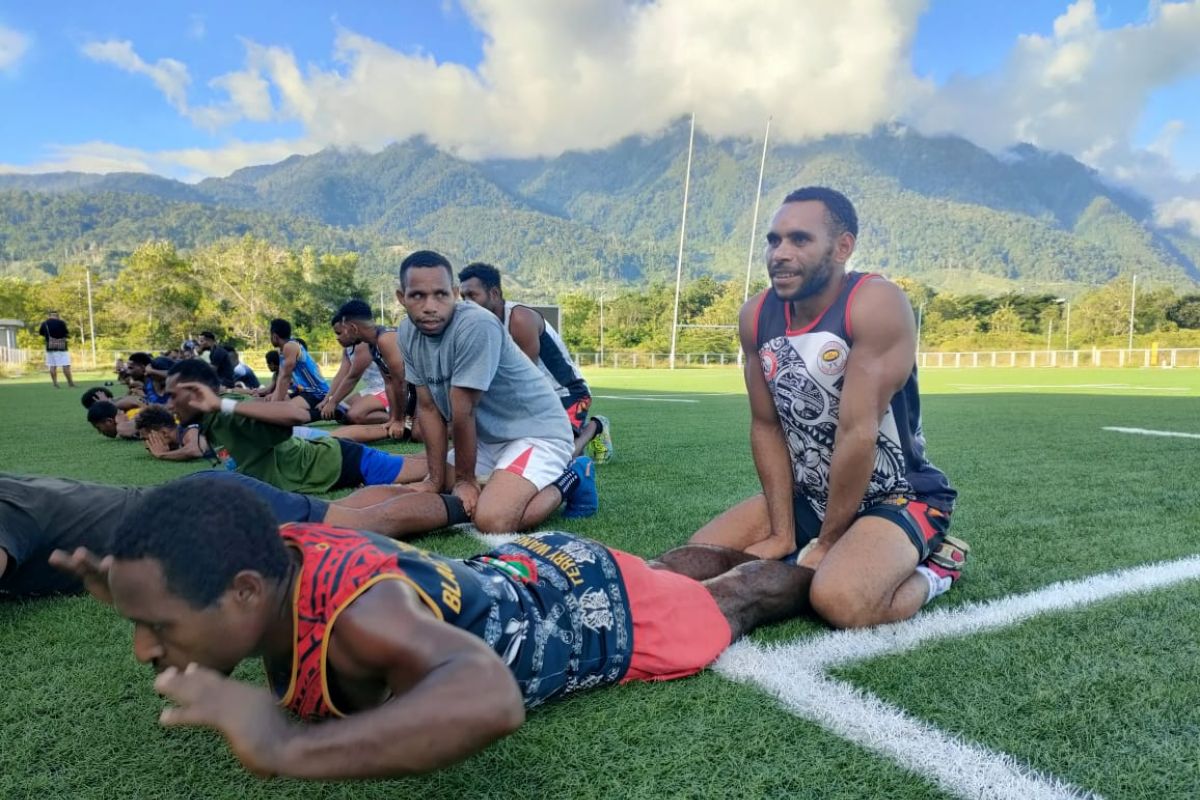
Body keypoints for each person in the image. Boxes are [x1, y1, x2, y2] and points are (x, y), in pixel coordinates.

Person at [55, 476, 813, 778]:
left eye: (157, 625)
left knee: (742, 595)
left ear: (246, 591)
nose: (145, 649)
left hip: (590, 616)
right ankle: (785, 539)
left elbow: (490, 699)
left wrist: (290, 745)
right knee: (664, 563)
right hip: (536, 566)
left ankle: (828, 562)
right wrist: (132, 591)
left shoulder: (360, 618)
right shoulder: (273, 558)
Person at [690, 187, 966, 629]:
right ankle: (811, 548)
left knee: (840, 601)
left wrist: (829, 540)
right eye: (773, 240)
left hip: (897, 494)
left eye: (799, 240)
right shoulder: (755, 317)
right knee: (697, 561)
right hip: (811, 496)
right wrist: (783, 531)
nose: (780, 253)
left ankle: (938, 568)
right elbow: (766, 426)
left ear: (843, 248)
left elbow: (857, 432)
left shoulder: (875, 303)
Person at [3, 470, 460, 600]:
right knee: (338, 514)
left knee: (367, 527)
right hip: (196, 500)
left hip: (202, 518)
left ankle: (463, 505)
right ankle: (430, 489)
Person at [398, 250, 597, 532]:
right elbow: (432, 407)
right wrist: (435, 478)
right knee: (446, 485)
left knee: (493, 519)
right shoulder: (413, 331)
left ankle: (575, 473)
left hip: (546, 417)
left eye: (442, 294)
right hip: (494, 431)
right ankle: (508, 478)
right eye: (417, 295)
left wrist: (466, 480)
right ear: (401, 297)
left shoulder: (494, 321)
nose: (430, 305)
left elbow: (473, 404)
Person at [166, 359, 426, 494]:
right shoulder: (210, 422)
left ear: (194, 393)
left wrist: (222, 405)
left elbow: (296, 413)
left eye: (173, 396)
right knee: (414, 463)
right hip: (324, 460)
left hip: (333, 462)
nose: (169, 405)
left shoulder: (226, 410)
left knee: (423, 469)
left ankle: (463, 465)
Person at [459, 263, 612, 462]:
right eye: (463, 298)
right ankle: (569, 436)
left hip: (566, 392)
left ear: (494, 294)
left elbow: (524, 380)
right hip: (527, 396)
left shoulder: (519, 319)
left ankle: (595, 426)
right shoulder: (478, 326)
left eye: (472, 296)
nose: (466, 304)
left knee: (557, 457)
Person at [330, 300, 419, 439]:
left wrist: (402, 420)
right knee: (400, 430)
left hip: (424, 395)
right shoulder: (373, 344)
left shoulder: (386, 339)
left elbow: (402, 383)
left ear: (353, 327)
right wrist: (393, 418)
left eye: (344, 330)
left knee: (415, 433)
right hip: (414, 395)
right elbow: (389, 384)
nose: (342, 336)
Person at [316, 311, 391, 427]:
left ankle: (398, 418)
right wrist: (327, 400)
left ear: (350, 328)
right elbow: (341, 375)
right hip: (373, 388)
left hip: (386, 387)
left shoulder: (363, 345)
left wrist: (333, 402)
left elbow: (353, 377)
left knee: (354, 415)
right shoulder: (348, 349)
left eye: (339, 333)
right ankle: (379, 411)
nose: (337, 338)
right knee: (342, 411)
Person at [263, 319, 329, 420]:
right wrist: (274, 397)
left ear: (275, 336)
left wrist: (275, 405)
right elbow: (281, 378)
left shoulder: (290, 346)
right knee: (268, 405)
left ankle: (325, 412)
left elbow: (285, 378)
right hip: (304, 391)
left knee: (282, 412)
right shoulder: (283, 350)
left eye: (270, 335)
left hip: (316, 392)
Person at [135, 404, 215, 462]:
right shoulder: (177, 440)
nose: (146, 445)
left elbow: (195, 451)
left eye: (147, 439)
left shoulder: (189, 428)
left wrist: (161, 454)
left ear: (164, 433)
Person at [37, 311, 75, 388]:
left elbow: (41, 333)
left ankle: (55, 383)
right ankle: (70, 383)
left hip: (50, 346)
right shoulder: (61, 322)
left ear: (49, 316)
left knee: (52, 365)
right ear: (57, 316)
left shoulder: (45, 323)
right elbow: (66, 333)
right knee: (65, 365)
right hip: (62, 346)